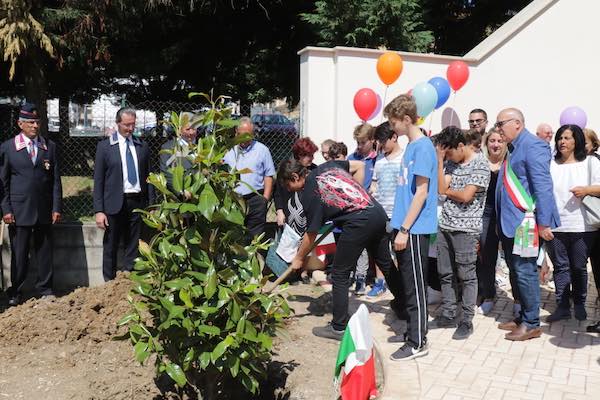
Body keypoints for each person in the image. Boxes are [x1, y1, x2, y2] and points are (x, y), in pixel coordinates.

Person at [279, 158, 405, 345]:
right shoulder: (327, 166)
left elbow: (311, 234)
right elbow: (357, 166)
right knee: (385, 263)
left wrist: (298, 258)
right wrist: (356, 197)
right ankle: (404, 306)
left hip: (359, 221)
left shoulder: (309, 194)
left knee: (339, 273)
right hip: (375, 212)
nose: (289, 190)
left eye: (288, 185)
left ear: (296, 176)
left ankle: (338, 327)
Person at [495, 108, 560, 341]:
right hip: (511, 222)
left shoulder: (533, 145)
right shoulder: (513, 147)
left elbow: (542, 186)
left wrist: (544, 222)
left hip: (526, 224)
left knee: (525, 272)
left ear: (517, 124)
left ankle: (532, 323)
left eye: (500, 123)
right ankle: (523, 315)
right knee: (516, 270)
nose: (497, 128)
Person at [386, 94, 438, 360]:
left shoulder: (423, 148)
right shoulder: (411, 146)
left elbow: (421, 193)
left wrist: (405, 229)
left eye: (393, 122)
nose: (391, 128)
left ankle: (418, 342)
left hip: (414, 230)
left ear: (406, 119)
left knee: (416, 285)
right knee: (408, 284)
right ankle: (412, 332)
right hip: (404, 226)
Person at [430, 127, 490, 340]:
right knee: (445, 273)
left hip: (466, 229)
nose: (448, 158)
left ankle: (466, 320)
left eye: (449, 153)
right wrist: (439, 161)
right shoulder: (449, 162)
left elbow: (466, 196)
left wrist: (448, 192)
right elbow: (440, 188)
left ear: (461, 146)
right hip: (445, 225)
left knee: (466, 275)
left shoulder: (480, 164)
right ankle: (447, 314)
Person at [0, 103, 62, 305]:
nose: (35, 126)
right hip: (19, 210)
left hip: (44, 209)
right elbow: (3, 183)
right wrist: (6, 209)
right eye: (30, 122)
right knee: (19, 253)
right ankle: (15, 291)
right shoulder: (8, 148)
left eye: (37, 122)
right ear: (20, 124)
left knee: (44, 252)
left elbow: (55, 180)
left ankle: (45, 289)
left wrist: (56, 207)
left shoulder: (48, 147)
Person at [545, 125, 600, 322]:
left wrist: (586, 189)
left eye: (567, 138)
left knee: (578, 266)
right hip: (556, 225)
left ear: (576, 140)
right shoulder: (551, 164)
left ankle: (579, 303)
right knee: (560, 267)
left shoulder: (591, 162)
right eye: (560, 138)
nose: (562, 141)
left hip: (583, 225)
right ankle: (562, 305)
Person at [93, 107, 153, 282]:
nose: (130, 128)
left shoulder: (142, 146)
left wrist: (151, 204)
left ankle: (130, 276)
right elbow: (99, 181)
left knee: (133, 243)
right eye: (127, 125)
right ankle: (109, 281)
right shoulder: (105, 147)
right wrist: (99, 210)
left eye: (133, 124)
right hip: (114, 202)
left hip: (137, 201)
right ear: (118, 123)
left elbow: (149, 177)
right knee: (111, 243)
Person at [367, 121, 404, 298]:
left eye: (383, 140)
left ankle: (400, 285)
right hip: (380, 214)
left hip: (398, 214)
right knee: (380, 251)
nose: (381, 145)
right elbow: (375, 184)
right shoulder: (380, 160)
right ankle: (380, 283)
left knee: (399, 252)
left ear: (394, 137)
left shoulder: (404, 158)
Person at [223, 117, 275, 241]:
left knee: (254, 237)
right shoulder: (227, 149)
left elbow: (269, 175)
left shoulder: (262, 150)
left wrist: (265, 199)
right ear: (236, 132)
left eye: (248, 136)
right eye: (241, 135)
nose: (245, 139)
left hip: (255, 199)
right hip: (233, 199)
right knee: (234, 236)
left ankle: (253, 259)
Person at [477, 128, 507, 315]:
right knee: (486, 256)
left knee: (513, 258)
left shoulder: (509, 163)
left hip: (507, 213)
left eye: (499, 141)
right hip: (486, 213)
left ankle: (519, 300)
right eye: (492, 141)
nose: (495, 144)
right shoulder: (480, 162)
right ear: (486, 143)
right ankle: (488, 294)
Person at [347, 123, 379, 295]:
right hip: (356, 208)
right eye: (357, 142)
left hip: (375, 208)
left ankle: (372, 278)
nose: (359, 146)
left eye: (363, 142)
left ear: (372, 140)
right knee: (358, 246)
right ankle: (359, 277)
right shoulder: (353, 158)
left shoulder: (378, 159)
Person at [159, 112, 198, 191]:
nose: (191, 132)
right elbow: (166, 173)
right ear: (179, 129)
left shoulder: (203, 146)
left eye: (193, 129)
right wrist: (181, 191)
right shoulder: (168, 148)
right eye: (187, 129)